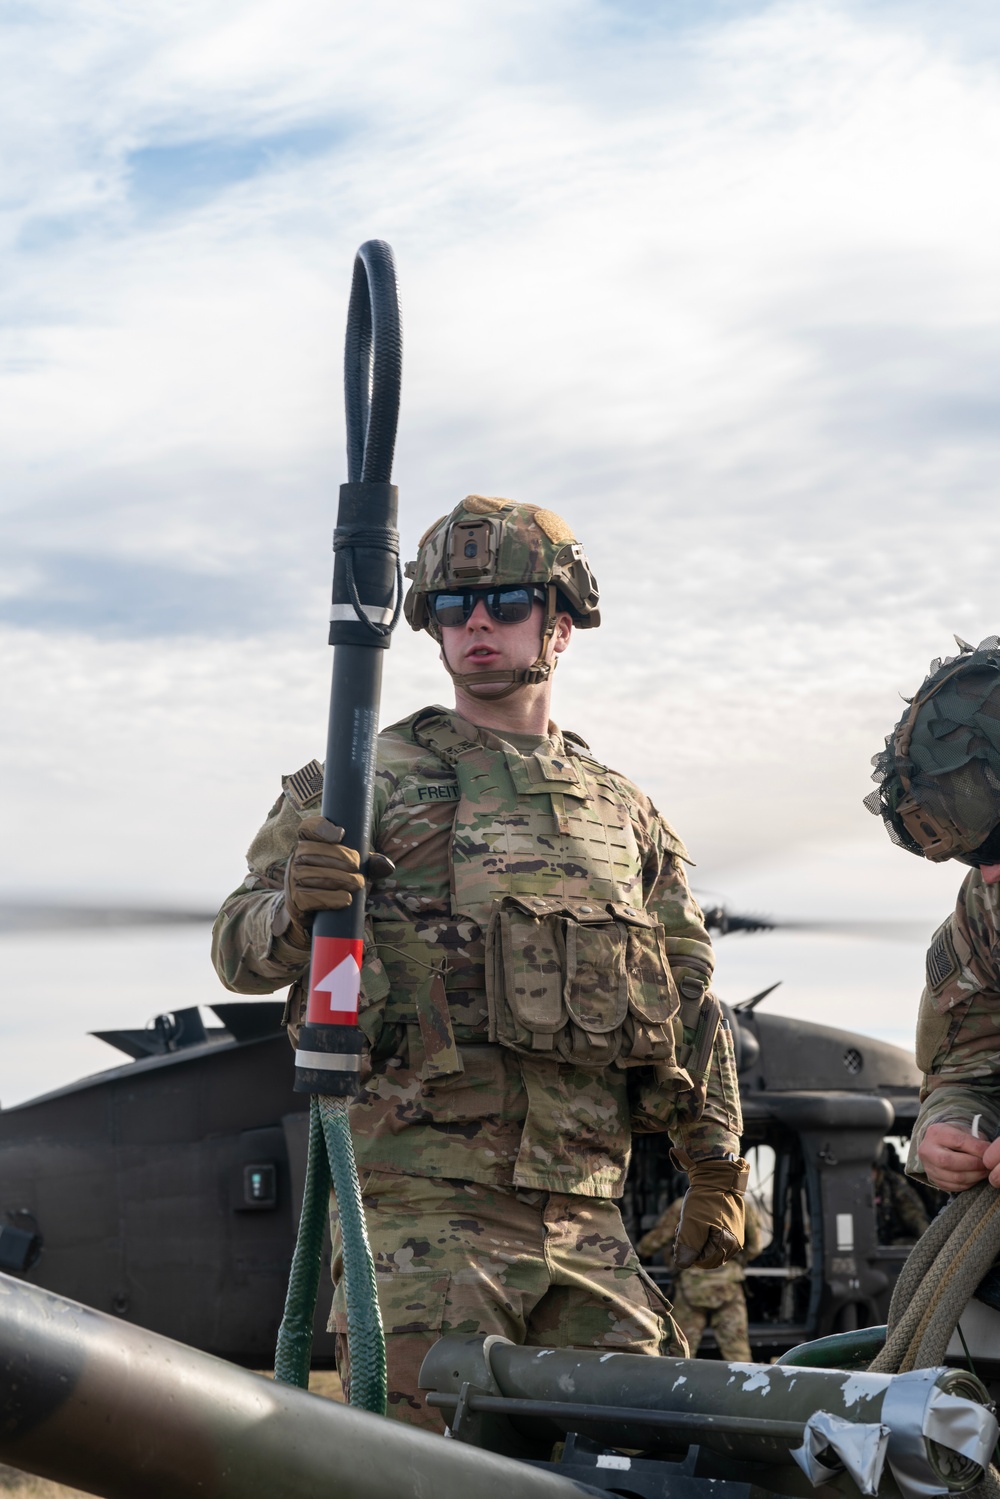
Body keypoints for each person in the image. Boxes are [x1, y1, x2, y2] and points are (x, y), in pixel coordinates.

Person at [213, 495, 746, 1428]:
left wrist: (715, 1172)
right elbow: (236, 947)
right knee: (425, 1467)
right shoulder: (360, 777)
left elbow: (690, 995)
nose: (478, 625)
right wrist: (295, 908)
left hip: (589, 1217)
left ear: (562, 621)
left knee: (650, 1451)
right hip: (420, 1217)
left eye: (503, 599)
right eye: (454, 607)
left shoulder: (623, 815)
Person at [865, 635, 1000, 1194]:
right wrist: (951, 1128)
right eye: (973, 855)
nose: (989, 875)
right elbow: (967, 1071)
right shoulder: (985, 907)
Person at [637, 1192, 762, 1361]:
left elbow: (655, 1241)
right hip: (729, 1288)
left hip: (691, 1288)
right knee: (738, 1354)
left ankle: (678, 1387)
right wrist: (734, 1261)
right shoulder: (739, 1205)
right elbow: (755, 1247)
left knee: (681, 1354)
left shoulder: (683, 1204)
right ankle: (745, 1387)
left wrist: (639, 1249)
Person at [871, 1143, 930, 1245]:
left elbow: (913, 1214)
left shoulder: (893, 1183)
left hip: (892, 1242)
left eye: (872, 1169)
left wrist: (929, 1242)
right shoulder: (852, 1187)